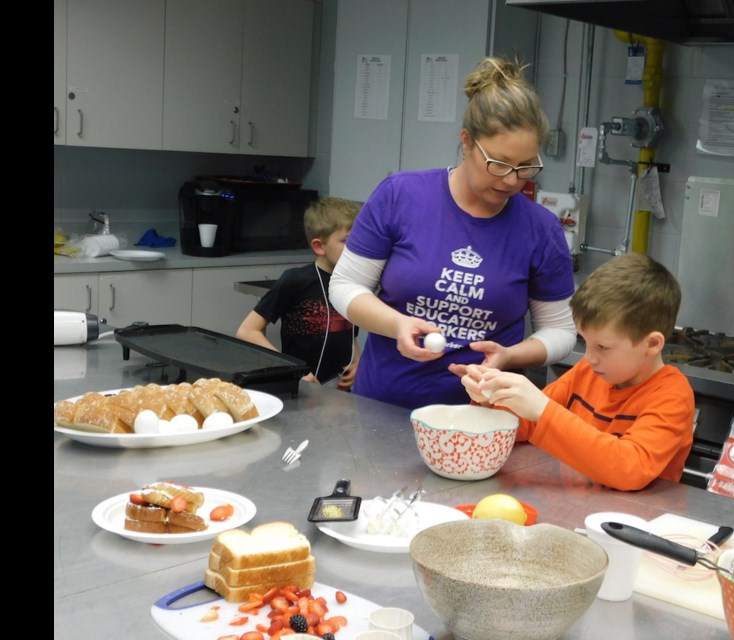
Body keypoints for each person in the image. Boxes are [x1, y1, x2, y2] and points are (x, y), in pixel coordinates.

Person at [329, 56, 576, 409]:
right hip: (383, 408)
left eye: (525, 167)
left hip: (483, 417)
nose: (511, 180)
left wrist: (510, 356)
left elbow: (560, 332)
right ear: (466, 142)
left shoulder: (540, 229)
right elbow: (345, 286)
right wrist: (397, 324)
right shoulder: (401, 196)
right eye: (499, 163)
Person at [460, 253, 695, 491]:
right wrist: (490, 400)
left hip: (632, 521)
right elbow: (527, 425)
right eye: (585, 342)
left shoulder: (672, 396)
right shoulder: (588, 372)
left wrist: (543, 410)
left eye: (602, 347)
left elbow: (630, 468)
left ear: (652, 344)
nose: (589, 358)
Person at [237, 196, 361, 389]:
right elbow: (247, 331)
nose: (357, 246)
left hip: (341, 390)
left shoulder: (355, 283)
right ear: (319, 246)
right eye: (347, 241)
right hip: (301, 388)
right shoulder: (296, 280)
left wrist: (357, 359)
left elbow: (348, 332)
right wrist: (292, 369)